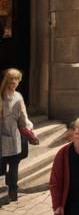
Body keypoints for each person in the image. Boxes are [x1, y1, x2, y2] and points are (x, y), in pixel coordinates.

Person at [1, 68, 32, 203]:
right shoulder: (13, 97)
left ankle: (11, 190)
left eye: (17, 80)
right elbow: (23, 118)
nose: (16, 83)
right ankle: (12, 190)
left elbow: (23, 117)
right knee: (11, 164)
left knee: (11, 164)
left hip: (11, 135)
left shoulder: (15, 97)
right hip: (9, 135)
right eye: (14, 80)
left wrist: (27, 128)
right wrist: (28, 128)